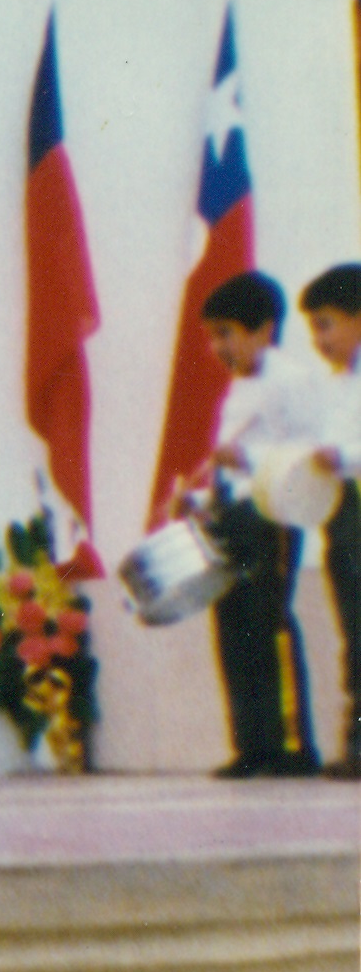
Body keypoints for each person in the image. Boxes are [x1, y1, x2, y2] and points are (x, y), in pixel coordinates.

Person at [167, 271, 327, 778]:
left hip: (275, 513)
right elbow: (225, 468)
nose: (218, 347)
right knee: (233, 626)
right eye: (213, 336)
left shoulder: (292, 381)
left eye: (226, 333)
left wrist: (247, 455)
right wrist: (196, 498)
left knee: (269, 621)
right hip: (236, 514)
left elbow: (305, 454)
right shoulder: (239, 387)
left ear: (263, 330)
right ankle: (252, 745)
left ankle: (292, 746)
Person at [296, 264, 361, 778]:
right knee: (356, 633)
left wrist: (340, 456)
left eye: (326, 324)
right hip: (346, 518)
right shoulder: (337, 386)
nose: (318, 339)